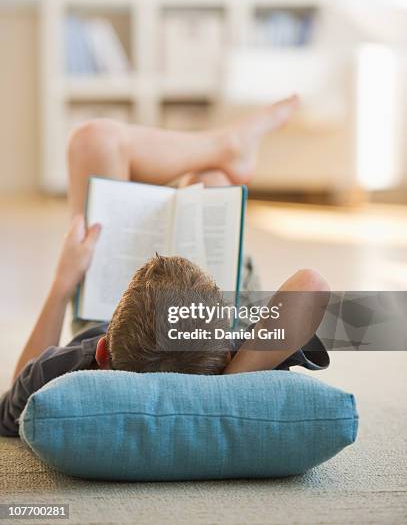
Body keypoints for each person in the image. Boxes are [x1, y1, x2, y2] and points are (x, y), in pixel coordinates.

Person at [0, 95, 330, 437]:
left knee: (93, 142)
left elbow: (18, 404)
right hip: (199, 324)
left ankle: (228, 145)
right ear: (226, 350)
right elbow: (312, 285)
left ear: (102, 352)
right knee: (211, 181)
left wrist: (62, 283)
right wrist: (231, 382)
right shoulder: (232, 356)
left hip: (133, 324)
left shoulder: (80, 362)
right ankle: (227, 146)